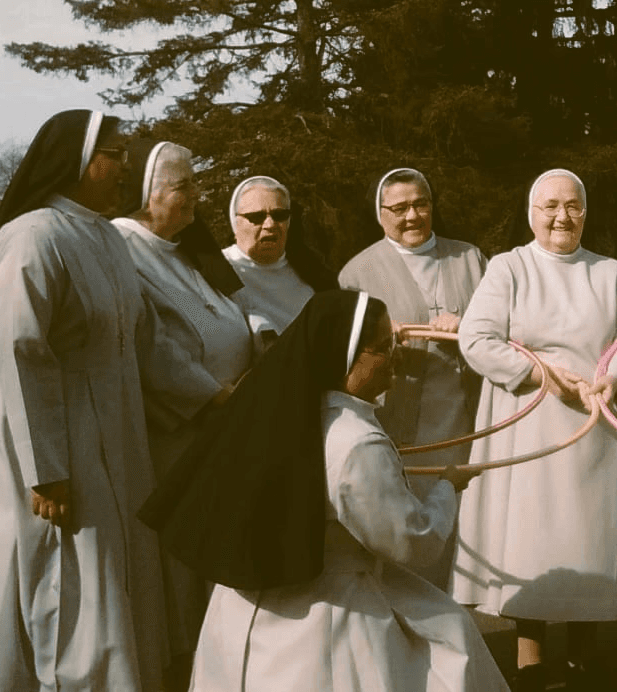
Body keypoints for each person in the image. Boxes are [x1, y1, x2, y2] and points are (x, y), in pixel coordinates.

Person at [139, 289, 509, 692]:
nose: (396, 358)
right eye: (383, 348)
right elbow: (410, 541)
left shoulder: (270, 415)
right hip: (328, 617)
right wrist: (445, 489)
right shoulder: (357, 441)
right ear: (345, 354)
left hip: (239, 618)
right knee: (452, 644)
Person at [0, 109, 168, 691]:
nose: (125, 169)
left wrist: (213, 397)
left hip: (118, 428)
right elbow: (21, 349)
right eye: (116, 155)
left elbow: (142, 340)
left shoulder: (108, 236)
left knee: (115, 584)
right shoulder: (34, 234)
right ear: (81, 161)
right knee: (67, 587)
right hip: (58, 442)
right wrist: (48, 470)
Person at [452, 169, 617, 692]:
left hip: (592, 424)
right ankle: (531, 660)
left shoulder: (608, 271)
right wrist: (540, 374)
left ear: (586, 212)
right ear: (531, 212)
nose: (562, 217)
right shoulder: (509, 267)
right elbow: (476, 339)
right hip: (530, 426)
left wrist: (614, 379)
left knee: (589, 537)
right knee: (532, 541)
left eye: (573, 206)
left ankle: (582, 659)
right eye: (550, 207)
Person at [111, 139, 255, 679]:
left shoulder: (185, 248)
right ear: (146, 195)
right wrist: (214, 396)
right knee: (183, 566)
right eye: (183, 185)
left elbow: (230, 312)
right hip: (179, 435)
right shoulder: (122, 247)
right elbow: (148, 345)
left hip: (223, 425)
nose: (198, 194)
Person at [339, 168, 486, 481]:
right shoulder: (356, 273)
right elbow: (346, 357)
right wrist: (380, 336)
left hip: (470, 414)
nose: (412, 216)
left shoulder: (470, 258)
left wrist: (468, 324)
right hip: (401, 416)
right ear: (379, 214)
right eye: (399, 208)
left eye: (421, 204)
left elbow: (501, 324)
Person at [222, 174, 337, 338]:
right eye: (257, 217)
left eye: (279, 215)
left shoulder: (312, 273)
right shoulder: (219, 269)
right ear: (235, 222)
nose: (270, 225)